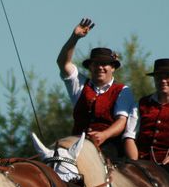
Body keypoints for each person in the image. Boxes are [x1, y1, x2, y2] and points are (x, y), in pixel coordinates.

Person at [56, 17, 136, 163]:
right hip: (76, 147)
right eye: (96, 64)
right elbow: (63, 62)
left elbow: (121, 122)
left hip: (109, 149)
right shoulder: (79, 85)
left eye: (105, 64)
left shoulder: (122, 91)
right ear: (90, 67)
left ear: (113, 68)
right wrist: (75, 37)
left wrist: (104, 135)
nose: (100, 67)